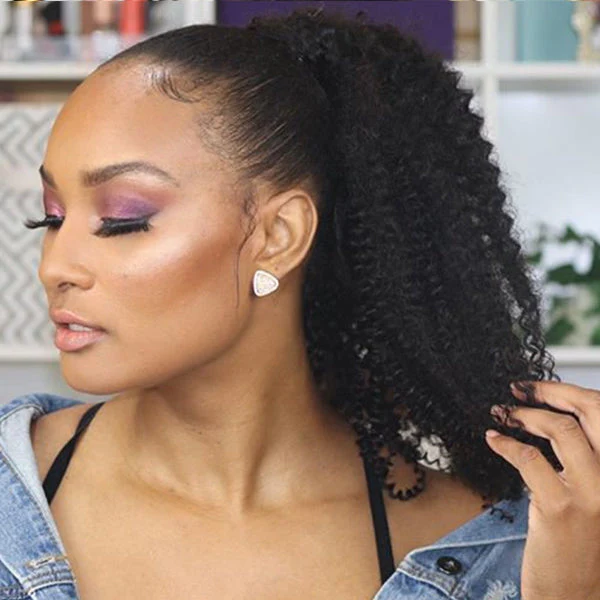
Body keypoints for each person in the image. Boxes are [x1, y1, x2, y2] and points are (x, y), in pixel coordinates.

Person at [0, 7, 560, 599]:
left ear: (278, 237)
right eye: (52, 218)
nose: (54, 267)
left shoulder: (481, 550)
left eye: (121, 220)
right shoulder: (19, 489)